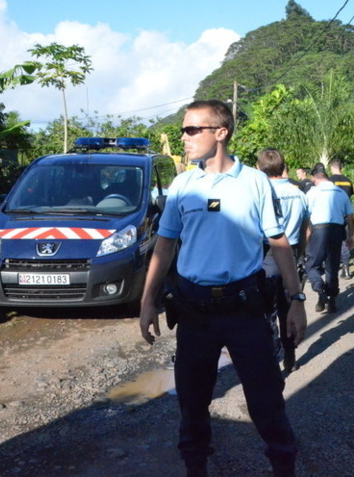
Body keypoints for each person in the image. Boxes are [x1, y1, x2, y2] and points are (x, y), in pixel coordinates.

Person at [139, 100, 306, 477]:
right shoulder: (183, 184)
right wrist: (147, 302)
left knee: (266, 399)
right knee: (193, 402)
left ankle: (284, 465)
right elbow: (164, 246)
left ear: (221, 132)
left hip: (245, 309)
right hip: (195, 311)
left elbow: (278, 243)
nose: (184, 137)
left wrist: (296, 301)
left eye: (192, 129)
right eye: (183, 129)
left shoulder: (255, 182)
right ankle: (195, 467)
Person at [258, 148, 309, 373]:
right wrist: (301, 253)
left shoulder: (260, 192)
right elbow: (307, 228)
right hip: (294, 254)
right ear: (283, 166)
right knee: (288, 307)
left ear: (260, 168)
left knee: (266, 309)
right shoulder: (299, 193)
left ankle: (270, 354)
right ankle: (290, 355)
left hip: (266, 255)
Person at [304, 170, 354, 313]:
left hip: (318, 231)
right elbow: (350, 217)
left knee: (312, 265)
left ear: (315, 178)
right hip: (336, 231)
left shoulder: (312, 193)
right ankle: (331, 301)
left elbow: (306, 218)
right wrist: (350, 237)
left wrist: (306, 238)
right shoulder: (341, 193)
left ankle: (320, 289)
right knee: (332, 267)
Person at [328, 159, 354, 278]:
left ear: (331, 168)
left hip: (333, 216)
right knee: (345, 242)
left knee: (331, 243)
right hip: (346, 214)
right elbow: (350, 197)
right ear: (341, 168)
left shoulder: (330, 181)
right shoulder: (348, 181)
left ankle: (332, 267)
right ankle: (346, 268)